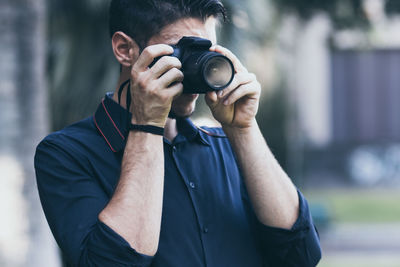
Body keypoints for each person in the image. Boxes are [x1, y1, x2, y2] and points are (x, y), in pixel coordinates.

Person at [34, 0, 322, 266]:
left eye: (205, 53)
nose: (196, 70)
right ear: (125, 49)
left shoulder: (228, 146)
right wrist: (147, 125)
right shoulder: (65, 154)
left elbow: (302, 254)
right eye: (181, 54)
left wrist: (243, 128)